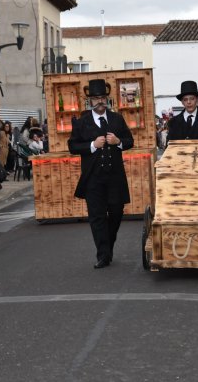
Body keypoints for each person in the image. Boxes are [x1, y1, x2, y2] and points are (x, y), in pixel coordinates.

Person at [68, 79, 134, 268]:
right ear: (89, 101)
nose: (99, 102)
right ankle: (103, 255)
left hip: (115, 177)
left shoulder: (116, 119)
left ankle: (108, 247)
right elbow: (72, 146)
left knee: (115, 213)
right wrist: (92, 145)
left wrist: (118, 142)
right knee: (96, 217)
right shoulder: (82, 122)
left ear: (107, 99)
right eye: (96, 98)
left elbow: (130, 141)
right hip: (93, 178)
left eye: (102, 98)